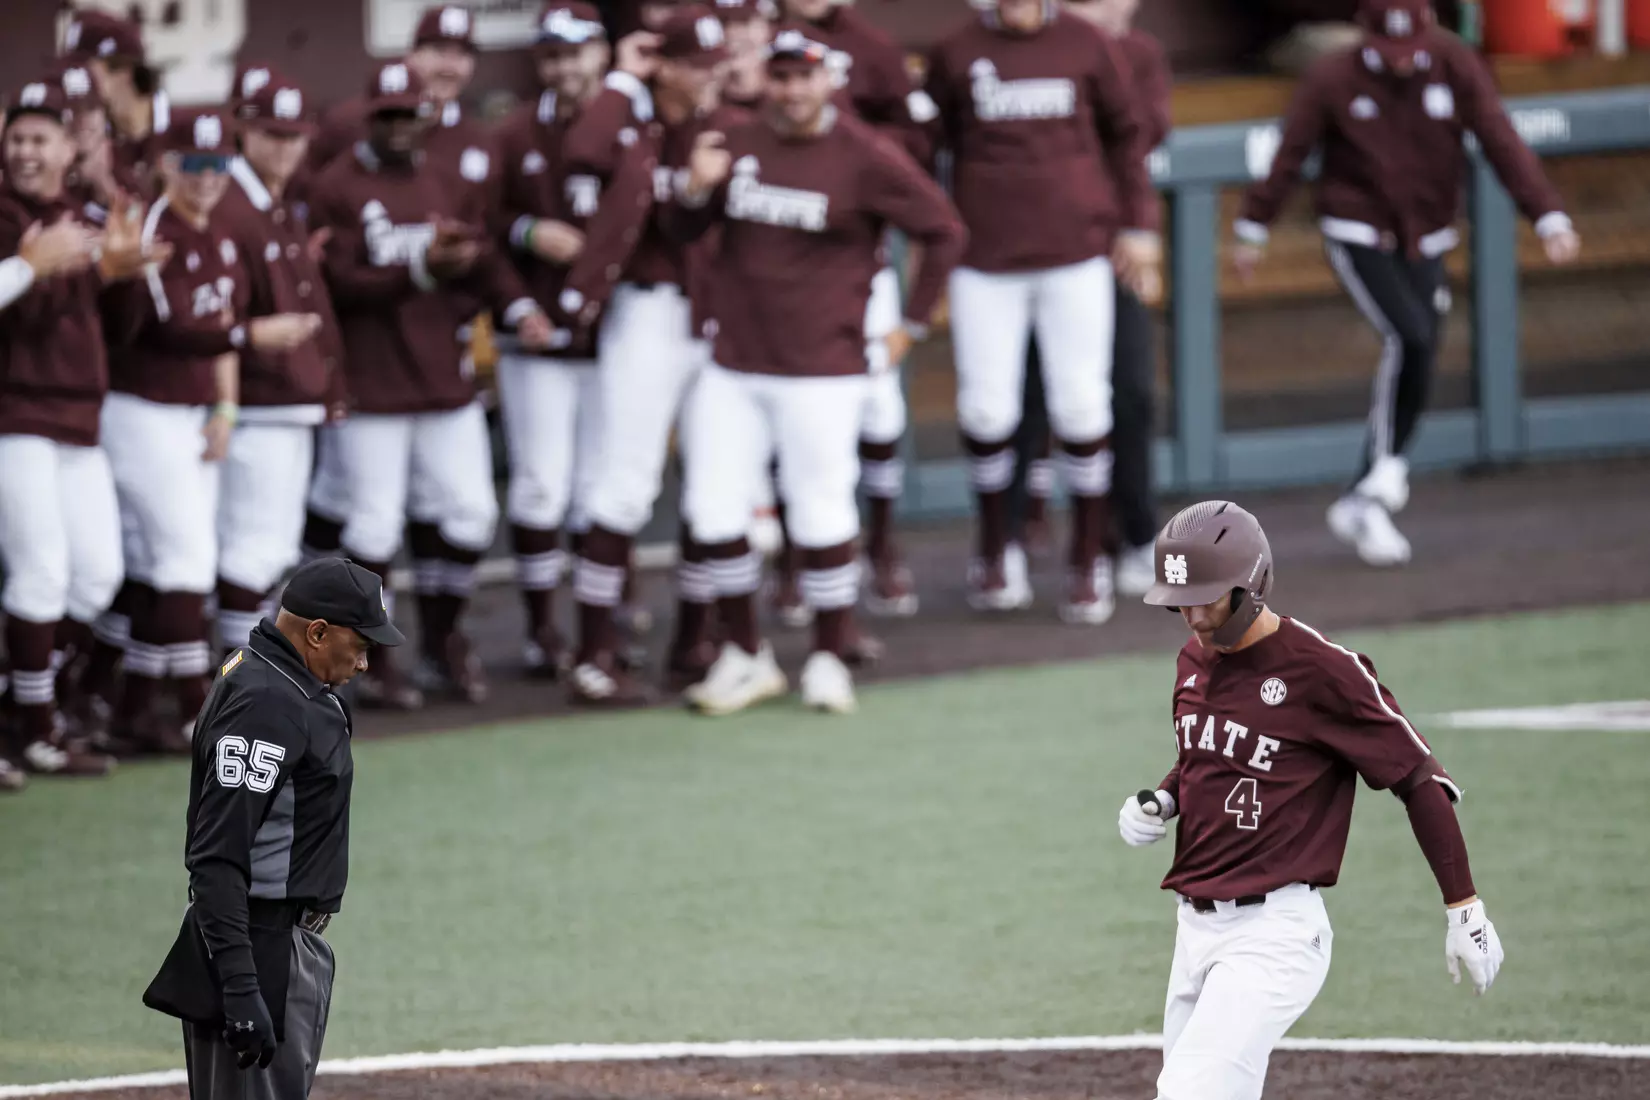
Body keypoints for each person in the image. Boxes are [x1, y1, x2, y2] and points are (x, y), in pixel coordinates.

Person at [1119, 499, 1503, 1100]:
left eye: (1205, 599)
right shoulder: (1192, 661)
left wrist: (1465, 907)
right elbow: (1205, 759)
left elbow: (1418, 778)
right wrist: (1163, 801)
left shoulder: (1324, 671)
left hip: (1274, 935)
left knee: (1188, 1093)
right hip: (1192, 930)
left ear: (1250, 588)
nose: (1190, 616)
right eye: (1179, 601)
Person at [666, 27, 966, 714]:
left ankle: (830, 656)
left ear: (828, 79)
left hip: (821, 365)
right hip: (734, 361)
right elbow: (683, 233)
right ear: (765, 79)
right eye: (781, 76)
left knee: (820, 510)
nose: (793, 89)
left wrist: (910, 325)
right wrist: (692, 190)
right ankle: (746, 655)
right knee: (712, 510)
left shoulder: (866, 154)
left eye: (805, 76)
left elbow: (945, 230)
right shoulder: (735, 143)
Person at [1234, 0, 1579, 567]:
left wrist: (1547, 215)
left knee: (1422, 350)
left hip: (1429, 230)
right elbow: (1289, 152)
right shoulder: (1333, 76)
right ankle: (1385, 473)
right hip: (1359, 229)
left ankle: (1366, 493)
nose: (1400, 63)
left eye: (1409, 50)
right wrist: (1253, 228)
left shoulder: (1454, 62)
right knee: (1410, 336)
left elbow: (1500, 137)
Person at [308, 61, 554, 708]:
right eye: (387, 115)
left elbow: (482, 261)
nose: (398, 127)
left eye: (408, 115)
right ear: (370, 116)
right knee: (374, 529)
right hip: (371, 381)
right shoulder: (337, 185)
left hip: (442, 375)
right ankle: (370, 659)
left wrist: (518, 308)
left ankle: (443, 643)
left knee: (471, 512)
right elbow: (338, 284)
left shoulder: (447, 179)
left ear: (426, 118)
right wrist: (419, 268)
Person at [926, 0, 1161, 624]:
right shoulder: (956, 50)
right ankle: (996, 547)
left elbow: (1127, 134)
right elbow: (927, 145)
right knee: (987, 407)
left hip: (1076, 252)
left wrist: (1139, 223)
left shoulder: (1085, 43)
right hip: (986, 258)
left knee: (1083, 403)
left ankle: (1088, 559)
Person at [97, 108, 322, 756]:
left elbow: (218, 334)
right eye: (192, 164)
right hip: (139, 406)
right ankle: (203, 711)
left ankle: (136, 704)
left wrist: (225, 410)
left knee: (161, 562)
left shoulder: (220, 232)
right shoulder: (154, 226)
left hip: (191, 412)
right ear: (168, 164)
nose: (205, 178)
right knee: (185, 560)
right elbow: (170, 329)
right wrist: (251, 334)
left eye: (216, 164)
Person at [143, 557, 404, 1100]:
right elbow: (216, 857)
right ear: (316, 632)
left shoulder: (270, 674)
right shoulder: (267, 705)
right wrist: (242, 988)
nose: (363, 663)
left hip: (269, 944)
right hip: (260, 949)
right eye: (360, 645)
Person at [556, 6, 741, 704]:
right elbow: (581, 150)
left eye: (713, 65)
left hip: (712, 315)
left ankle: (693, 642)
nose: (708, 78)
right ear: (664, 64)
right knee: (625, 482)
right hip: (646, 310)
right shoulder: (631, 119)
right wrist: (624, 79)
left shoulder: (719, 122)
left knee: (712, 484)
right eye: (696, 65)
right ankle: (595, 652)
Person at [0, 77, 158, 788]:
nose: (28, 151)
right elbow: (23, 319)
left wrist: (119, 275)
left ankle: (22, 702)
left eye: (42, 138)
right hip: (17, 415)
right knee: (40, 573)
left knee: (96, 573)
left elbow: (118, 334)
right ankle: (39, 731)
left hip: (77, 417)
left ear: (69, 148)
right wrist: (33, 268)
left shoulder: (81, 216)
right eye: (18, 138)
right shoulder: (7, 217)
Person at [1032, 0, 1170, 598]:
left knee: (1131, 391)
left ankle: (1134, 536)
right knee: (1031, 400)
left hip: (1115, 249)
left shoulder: (1139, 55)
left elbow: (1142, 135)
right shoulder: (1031, 53)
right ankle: (1021, 542)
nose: (1100, 8)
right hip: (1040, 251)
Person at [491, 1, 612, 678]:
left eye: (576, 52)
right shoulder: (513, 134)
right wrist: (527, 239)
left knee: (602, 487)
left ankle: (603, 611)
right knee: (541, 485)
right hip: (535, 334)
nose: (565, 67)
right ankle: (542, 626)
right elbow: (483, 230)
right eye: (553, 56)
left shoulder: (627, 126)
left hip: (608, 336)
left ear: (599, 52)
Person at [213, 71, 341, 652]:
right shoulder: (230, 204)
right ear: (243, 129)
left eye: (294, 136)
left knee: (272, 553)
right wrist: (251, 333)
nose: (285, 148)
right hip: (255, 408)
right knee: (249, 551)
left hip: (290, 405)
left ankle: (252, 684)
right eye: (272, 134)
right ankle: (230, 690)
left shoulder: (274, 201)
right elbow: (208, 317)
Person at [62, 9, 171, 199]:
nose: (74, 78)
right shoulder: (85, 126)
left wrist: (106, 188)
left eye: (84, 69)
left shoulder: (174, 131)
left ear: (124, 72)